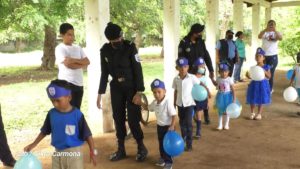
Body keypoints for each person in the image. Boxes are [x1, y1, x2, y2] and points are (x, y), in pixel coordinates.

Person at [97, 22, 148, 162]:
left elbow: (138, 70)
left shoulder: (130, 47)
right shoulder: (105, 51)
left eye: (120, 37)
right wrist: (100, 93)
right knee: (118, 118)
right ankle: (121, 150)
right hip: (116, 88)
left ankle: (141, 147)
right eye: (116, 39)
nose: (119, 40)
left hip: (131, 87)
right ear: (110, 40)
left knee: (133, 119)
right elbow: (104, 73)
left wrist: (139, 92)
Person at [24, 79, 97, 169]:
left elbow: (88, 135)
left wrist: (92, 152)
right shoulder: (51, 114)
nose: (55, 104)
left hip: (74, 154)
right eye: (52, 101)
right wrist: (33, 144)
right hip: (58, 153)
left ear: (69, 97)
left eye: (58, 100)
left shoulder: (77, 115)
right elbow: (44, 131)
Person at [55, 23, 90, 109]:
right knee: (67, 111)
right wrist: (81, 64)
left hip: (79, 84)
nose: (72, 37)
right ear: (62, 35)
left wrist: (73, 60)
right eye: (69, 35)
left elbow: (87, 61)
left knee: (77, 110)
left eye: (73, 35)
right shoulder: (60, 48)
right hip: (67, 85)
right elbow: (69, 65)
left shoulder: (78, 48)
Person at [145, 79, 176, 169]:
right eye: (154, 92)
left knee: (167, 145)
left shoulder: (167, 102)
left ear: (164, 91)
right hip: (160, 127)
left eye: (159, 92)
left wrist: (172, 125)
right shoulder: (155, 103)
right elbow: (148, 108)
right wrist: (141, 103)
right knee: (161, 144)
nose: (157, 94)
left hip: (168, 127)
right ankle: (163, 158)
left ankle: (169, 162)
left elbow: (174, 115)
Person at [173, 57, 199, 151]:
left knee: (188, 123)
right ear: (177, 68)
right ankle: (183, 139)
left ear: (188, 67)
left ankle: (189, 144)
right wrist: (174, 103)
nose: (182, 69)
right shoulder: (176, 79)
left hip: (189, 104)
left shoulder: (192, 78)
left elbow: (199, 87)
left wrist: (206, 91)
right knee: (182, 123)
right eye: (180, 67)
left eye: (184, 66)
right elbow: (175, 92)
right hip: (180, 104)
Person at [247, 48, 271, 120]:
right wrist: (248, 76)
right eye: (257, 56)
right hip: (254, 84)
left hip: (262, 85)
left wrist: (263, 70)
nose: (258, 58)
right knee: (252, 98)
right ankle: (252, 113)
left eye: (260, 56)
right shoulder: (254, 67)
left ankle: (259, 114)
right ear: (255, 57)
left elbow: (269, 76)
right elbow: (251, 76)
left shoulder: (266, 67)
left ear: (263, 58)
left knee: (261, 98)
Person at [258, 20, 282, 93]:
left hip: (273, 56)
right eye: (270, 24)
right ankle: (264, 88)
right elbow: (259, 36)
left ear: (275, 25)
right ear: (267, 25)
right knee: (262, 72)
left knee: (270, 73)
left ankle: (270, 89)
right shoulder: (265, 33)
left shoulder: (277, 33)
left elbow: (280, 38)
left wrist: (275, 30)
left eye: (273, 25)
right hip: (264, 56)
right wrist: (266, 29)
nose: (271, 26)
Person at [192, 58, 211, 139]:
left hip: (201, 99)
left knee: (199, 114)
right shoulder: (192, 77)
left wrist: (207, 101)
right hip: (192, 99)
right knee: (194, 114)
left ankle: (198, 131)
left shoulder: (204, 78)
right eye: (200, 66)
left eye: (203, 66)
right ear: (196, 67)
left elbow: (205, 90)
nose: (202, 68)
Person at [214, 63, 236, 130]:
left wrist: (234, 98)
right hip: (220, 96)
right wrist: (212, 79)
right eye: (222, 71)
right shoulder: (218, 79)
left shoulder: (229, 79)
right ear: (219, 72)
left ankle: (226, 124)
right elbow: (216, 85)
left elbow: (233, 89)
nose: (224, 73)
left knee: (227, 111)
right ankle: (220, 124)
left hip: (228, 97)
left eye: (225, 71)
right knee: (220, 111)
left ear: (228, 72)